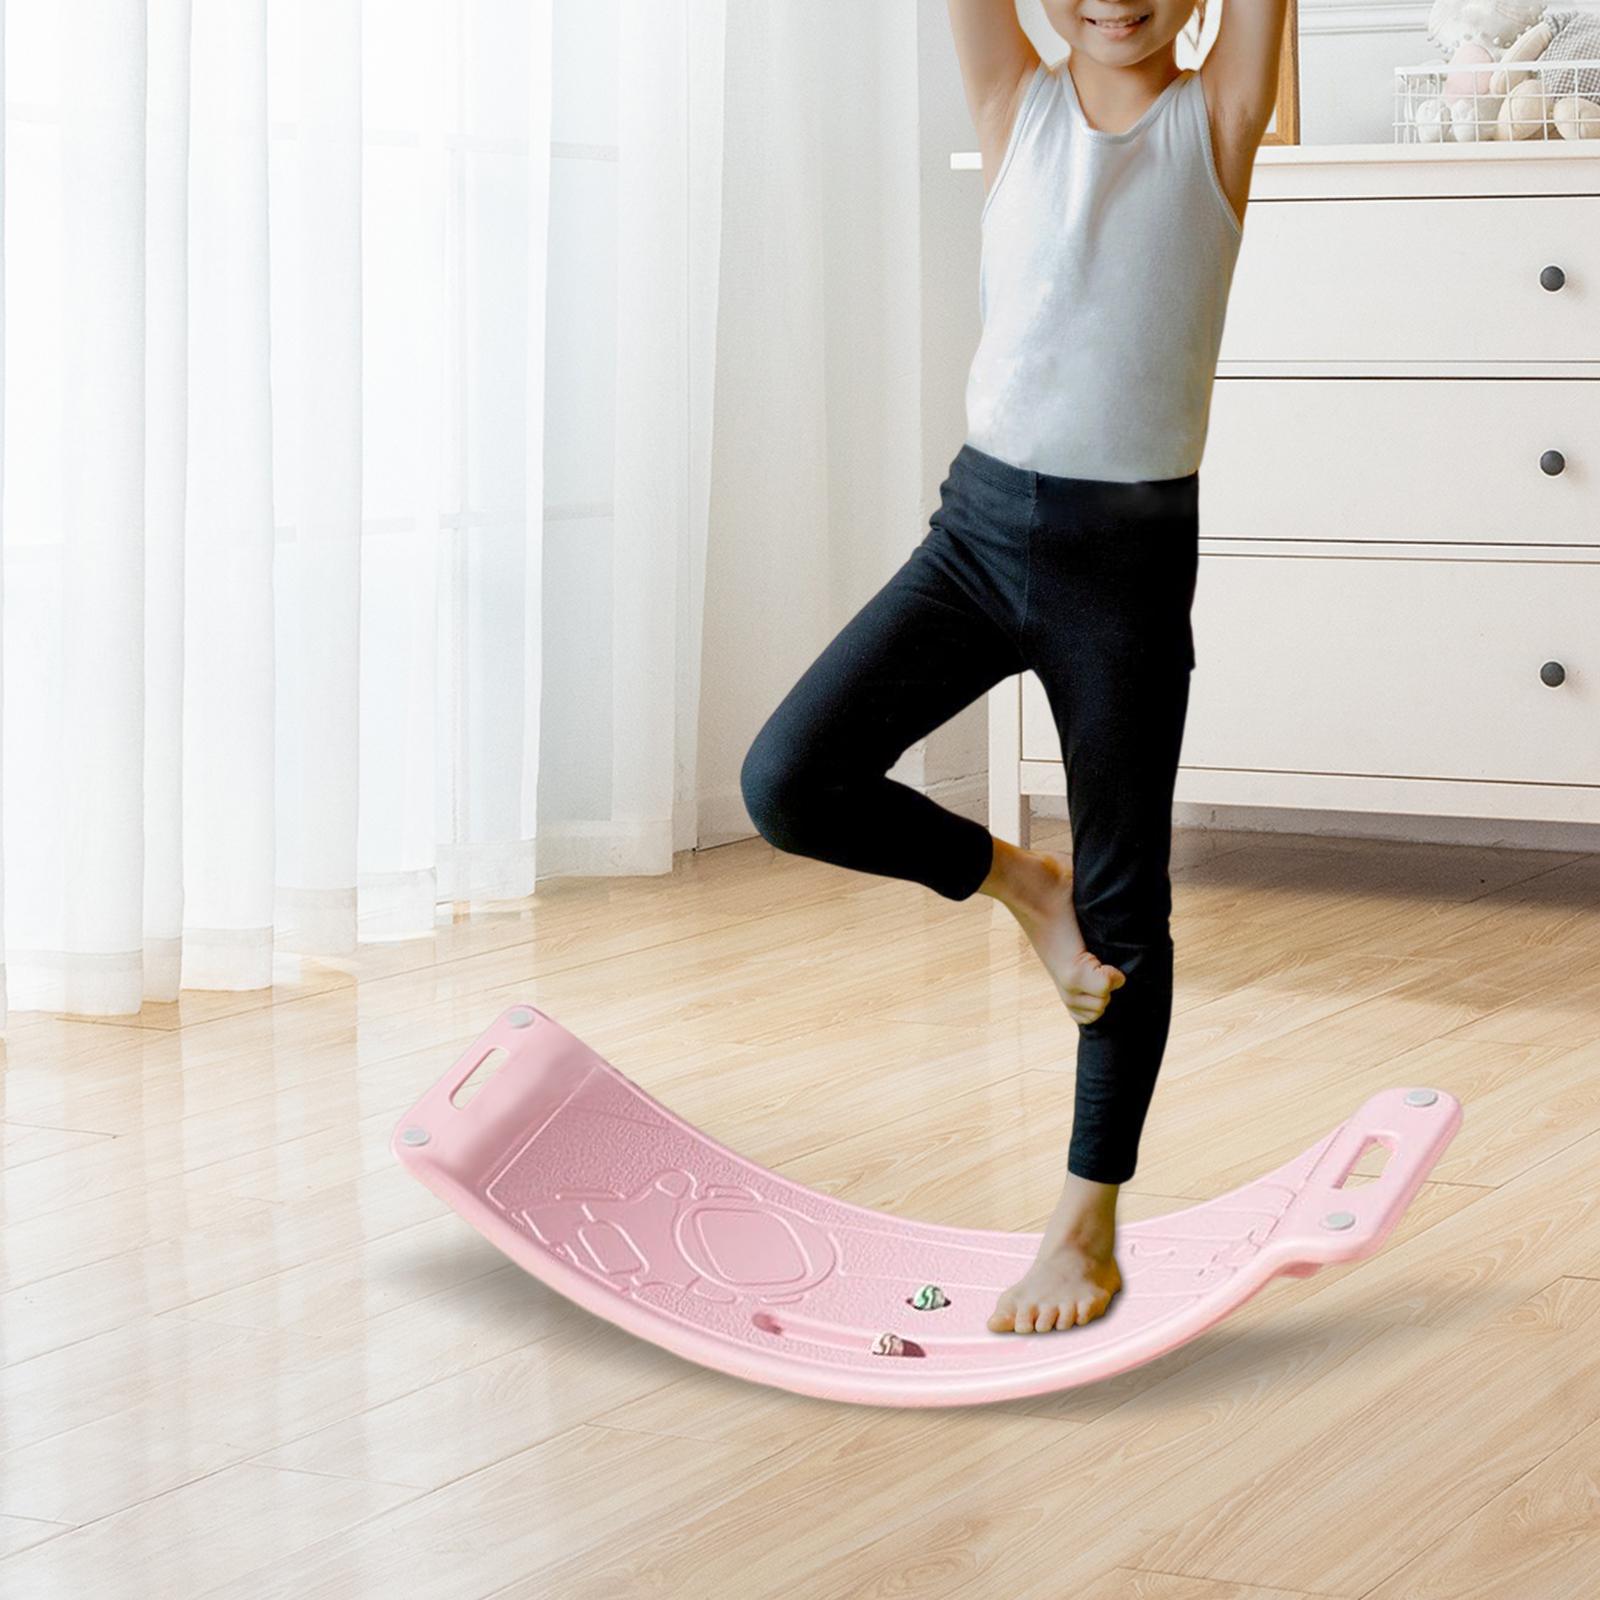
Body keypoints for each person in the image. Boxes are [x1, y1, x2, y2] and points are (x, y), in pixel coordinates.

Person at [739, 0, 1286, 1335]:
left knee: (1124, 907)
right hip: (976, 539)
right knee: (788, 780)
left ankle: (1086, 1227)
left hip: (1125, 570)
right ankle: (1012, 881)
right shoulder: (1012, 102)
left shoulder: (1217, 121)